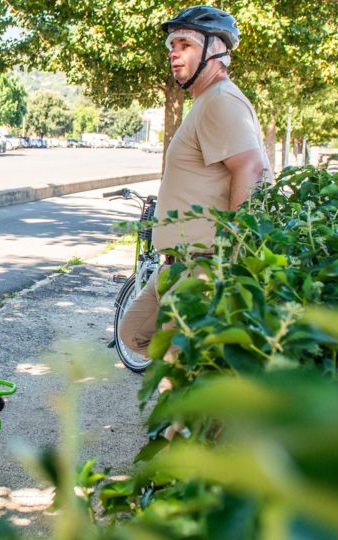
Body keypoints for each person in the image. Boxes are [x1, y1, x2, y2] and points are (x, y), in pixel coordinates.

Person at [117, 6, 269, 362]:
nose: (173, 52)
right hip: (175, 263)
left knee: (176, 366)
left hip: (201, 264)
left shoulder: (221, 100)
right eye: (172, 44)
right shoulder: (205, 102)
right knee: (134, 333)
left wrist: (230, 256)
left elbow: (251, 168)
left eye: (184, 43)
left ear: (216, 50)